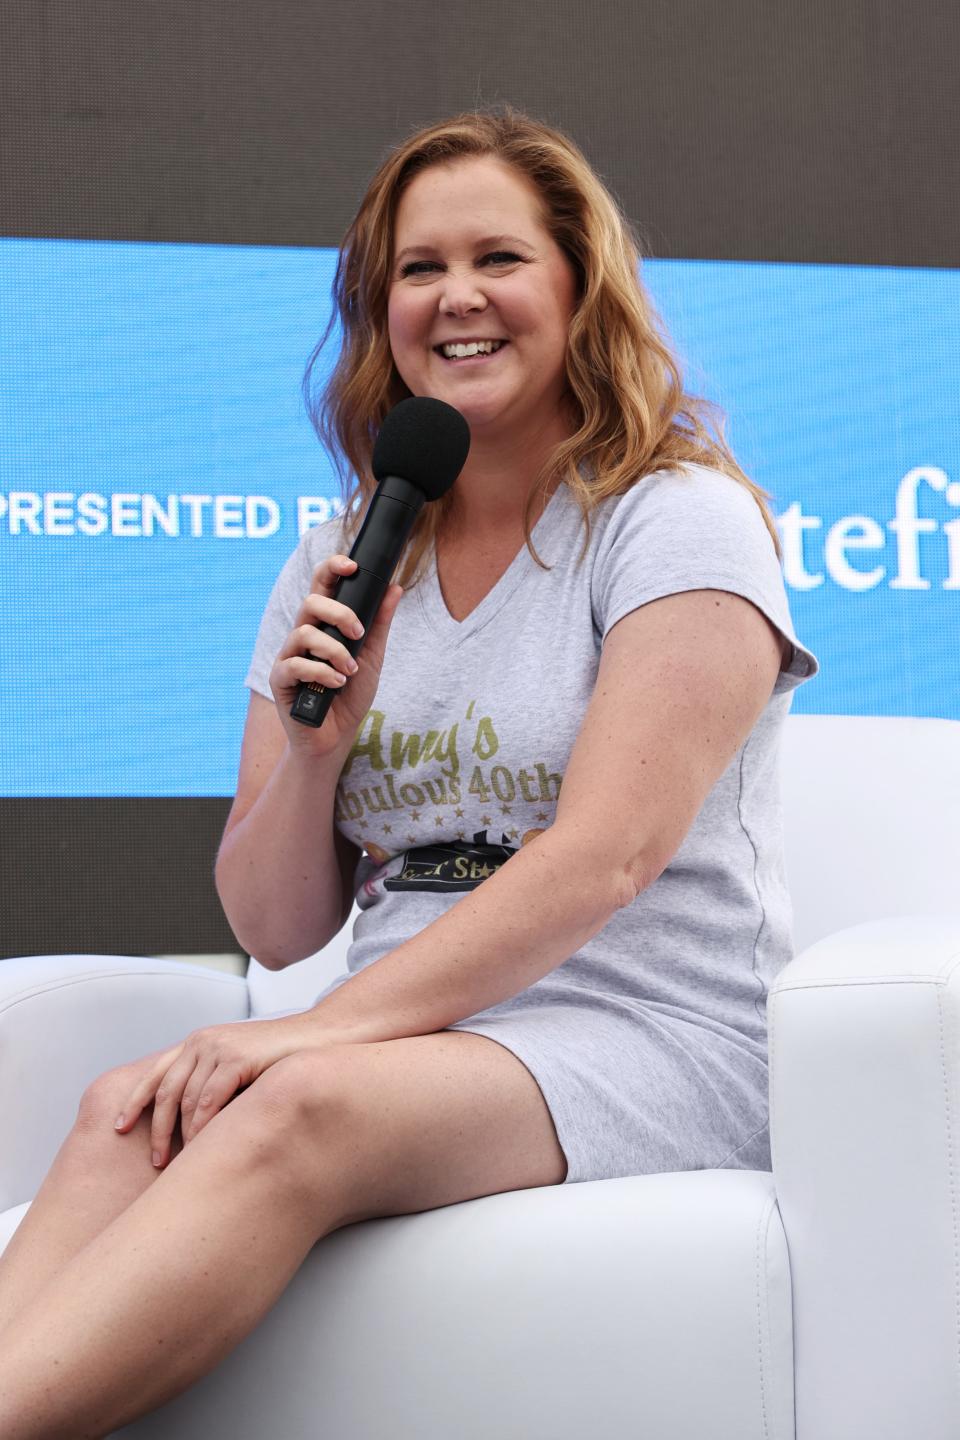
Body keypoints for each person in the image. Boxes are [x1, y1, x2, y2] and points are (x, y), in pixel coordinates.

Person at [0, 108, 817, 1434]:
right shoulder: (344, 552)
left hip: (650, 1027)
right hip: (418, 1029)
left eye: (498, 257)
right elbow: (276, 923)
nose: (457, 299)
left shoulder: (677, 522)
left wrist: (320, 1032)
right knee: (122, 1110)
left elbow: (604, 860)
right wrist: (317, 755)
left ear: (577, 288)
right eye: (418, 270)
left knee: (288, 1098)